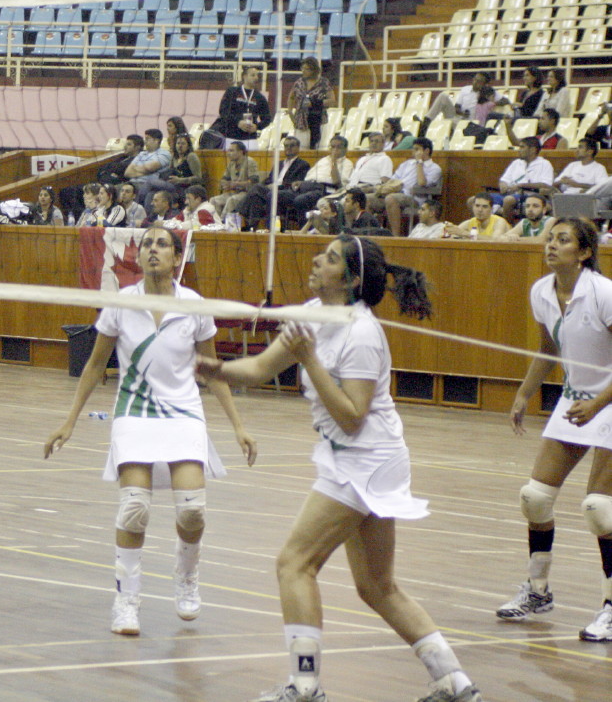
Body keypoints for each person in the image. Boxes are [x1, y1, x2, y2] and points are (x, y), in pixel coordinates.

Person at [199, 236, 482, 702]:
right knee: (377, 586)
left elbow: (352, 416)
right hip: (356, 456)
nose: (316, 259)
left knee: (294, 564)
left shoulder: (363, 334)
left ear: (351, 280)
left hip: (365, 458)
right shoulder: (316, 312)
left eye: (330, 258)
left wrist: (310, 358)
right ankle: (454, 682)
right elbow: (259, 370)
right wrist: (214, 369)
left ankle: (305, 686)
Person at [45, 225, 255, 635]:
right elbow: (94, 366)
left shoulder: (194, 305)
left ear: (177, 258)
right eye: (147, 245)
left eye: (162, 244)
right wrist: (69, 421)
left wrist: (238, 427)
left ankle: (187, 577)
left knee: (193, 509)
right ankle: (126, 602)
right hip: (134, 412)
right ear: (138, 257)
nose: (153, 250)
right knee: (135, 508)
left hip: (182, 413)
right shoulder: (121, 303)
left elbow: (212, 372)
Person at [503, 218, 612, 643]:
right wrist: (523, 395)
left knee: (600, 508)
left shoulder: (603, 292)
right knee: (535, 498)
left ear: (584, 253)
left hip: (606, 398)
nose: (551, 245)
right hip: (575, 398)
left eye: (562, 240)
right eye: (550, 237)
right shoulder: (542, 291)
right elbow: (549, 348)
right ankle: (537, 591)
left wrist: (597, 404)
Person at [376, 137, 444, 237]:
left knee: (391, 199)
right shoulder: (407, 163)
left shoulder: (434, 168)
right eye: (413, 149)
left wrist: (419, 163)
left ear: (426, 151)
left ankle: (395, 237)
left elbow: (421, 183)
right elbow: (393, 180)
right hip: (395, 193)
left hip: (414, 198)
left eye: (417, 149)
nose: (413, 152)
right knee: (367, 199)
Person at [240, 135, 310, 231]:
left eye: (291, 145)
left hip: (287, 193)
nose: (288, 148)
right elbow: (269, 179)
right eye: (286, 146)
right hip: (271, 190)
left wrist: (276, 186)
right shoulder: (279, 164)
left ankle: (240, 212)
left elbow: (296, 184)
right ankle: (252, 227)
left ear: (298, 148)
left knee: (257, 189)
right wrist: (267, 185)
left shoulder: (303, 164)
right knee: (256, 196)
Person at [281, 135, 353, 228]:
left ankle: (304, 231)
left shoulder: (347, 163)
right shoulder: (323, 160)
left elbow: (337, 183)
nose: (334, 150)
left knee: (300, 200)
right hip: (308, 186)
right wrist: (300, 182)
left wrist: (334, 162)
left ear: (345, 149)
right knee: (277, 195)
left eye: (338, 147)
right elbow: (310, 176)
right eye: (332, 147)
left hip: (325, 189)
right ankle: (277, 228)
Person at [210, 65, 272, 150]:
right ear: (244, 76)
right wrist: (238, 122)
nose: (256, 78)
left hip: (250, 139)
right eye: (253, 75)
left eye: (257, 75)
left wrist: (257, 126)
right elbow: (223, 112)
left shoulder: (260, 97)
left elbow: (267, 119)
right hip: (231, 137)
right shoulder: (232, 92)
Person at [496, 136, 555, 221]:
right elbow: (504, 180)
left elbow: (546, 184)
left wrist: (521, 185)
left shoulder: (544, 164)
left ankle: (508, 227)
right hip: (509, 194)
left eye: (522, 147)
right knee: (473, 200)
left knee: (508, 200)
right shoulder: (516, 163)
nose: (519, 150)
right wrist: (503, 185)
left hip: (529, 196)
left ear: (533, 150)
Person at [139, 133, 203, 203]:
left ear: (188, 146)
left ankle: (138, 204)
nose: (180, 146)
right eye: (178, 143)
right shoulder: (174, 157)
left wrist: (180, 180)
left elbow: (198, 177)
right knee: (151, 194)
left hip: (183, 186)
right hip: (172, 184)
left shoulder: (191, 156)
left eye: (183, 144)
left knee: (150, 182)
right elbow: (169, 171)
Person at [211, 140, 261, 226]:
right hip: (233, 192)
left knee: (232, 200)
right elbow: (224, 179)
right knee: (214, 200)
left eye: (231, 150)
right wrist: (224, 184)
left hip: (247, 194)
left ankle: (223, 224)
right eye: (228, 150)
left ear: (241, 152)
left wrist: (236, 184)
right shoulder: (231, 164)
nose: (228, 153)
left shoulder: (250, 162)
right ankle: (214, 223)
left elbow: (254, 183)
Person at [289, 56, 333, 148]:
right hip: (301, 122)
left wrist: (315, 103)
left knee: (317, 148)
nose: (303, 71)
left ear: (314, 70)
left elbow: (332, 101)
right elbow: (291, 97)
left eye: (307, 69)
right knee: (301, 148)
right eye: (303, 68)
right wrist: (291, 113)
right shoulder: (299, 83)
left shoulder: (324, 83)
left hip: (318, 120)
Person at [421, 72, 492, 124]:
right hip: (458, 118)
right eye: (475, 79)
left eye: (479, 81)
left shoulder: (488, 93)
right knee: (443, 96)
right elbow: (457, 107)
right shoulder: (465, 89)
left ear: (485, 84)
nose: (475, 82)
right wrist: (462, 113)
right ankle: (426, 121)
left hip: (470, 123)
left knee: (443, 123)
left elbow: (502, 100)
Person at [444, 193, 511, 239]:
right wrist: (450, 231)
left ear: (491, 209)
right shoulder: (469, 222)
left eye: (485, 207)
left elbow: (495, 240)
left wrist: (465, 234)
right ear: (473, 207)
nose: (480, 210)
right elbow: (454, 233)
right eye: (477, 206)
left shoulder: (499, 222)